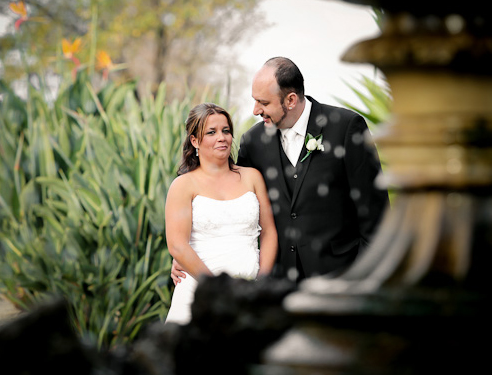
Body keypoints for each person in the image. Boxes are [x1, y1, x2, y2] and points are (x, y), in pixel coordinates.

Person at [172, 57, 388, 285]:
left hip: (340, 278)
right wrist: (185, 256)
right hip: (278, 285)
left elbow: (376, 215)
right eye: (255, 101)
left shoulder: (345, 128)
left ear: (291, 100)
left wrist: (365, 278)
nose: (256, 110)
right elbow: (231, 199)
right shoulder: (253, 141)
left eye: (263, 103)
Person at [164, 103, 278, 325]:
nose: (222, 138)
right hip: (199, 293)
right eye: (211, 132)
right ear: (195, 141)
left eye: (226, 130)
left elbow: (269, 233)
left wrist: (260, 285)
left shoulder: (251, 177)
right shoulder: (183, 185)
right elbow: (177, 245)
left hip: (249, 291)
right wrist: (216, 290)